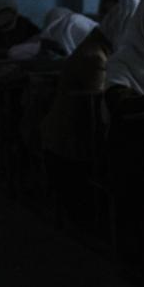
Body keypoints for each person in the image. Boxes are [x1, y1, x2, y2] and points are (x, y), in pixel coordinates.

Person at [40, 19, 115, 229]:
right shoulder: (94, 56)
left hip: (76, 132)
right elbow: (99, 104)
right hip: (73, 137)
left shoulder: (102, 49)